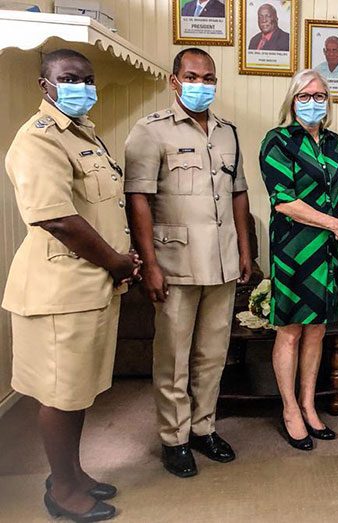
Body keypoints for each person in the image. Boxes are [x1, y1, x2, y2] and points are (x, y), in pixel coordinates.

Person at [2, 49, 140, 521]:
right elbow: (58, 219)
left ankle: (73, 473)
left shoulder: (85, 136)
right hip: (60, 290)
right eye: (68, 78)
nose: (80, 86)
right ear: (46, 85)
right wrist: (118, 263)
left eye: (87, 78)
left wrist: (120, 262)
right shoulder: (37, 140)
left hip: (90, 285)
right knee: (61, 395)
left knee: (79, 391)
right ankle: (62, 490)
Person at [124, 48, 251, 478]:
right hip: (175, 263)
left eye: (209, 77)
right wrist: (150, 263)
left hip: (222, 262)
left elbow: (238, 194)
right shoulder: (150, 131)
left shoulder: (228, 132)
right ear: (174, 80)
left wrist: (246, 251)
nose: (202, 84)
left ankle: (203, 428)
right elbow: (136, 198)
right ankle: (174, 438)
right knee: (173, 357)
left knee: (212, 354)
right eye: (193, 76)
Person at [259, 69, 338, 451]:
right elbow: (284, 200)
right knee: (290, 329)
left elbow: (329, 192)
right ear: (292, 100)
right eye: (304, 95)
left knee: (317, 329)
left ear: (328, 102)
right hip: (293, 248)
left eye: (320, 95)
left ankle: (309, 404)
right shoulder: (278, 140)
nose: (313, 101)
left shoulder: (334, 142)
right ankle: (289, 409)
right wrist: (334, 221)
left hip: (326, 249)